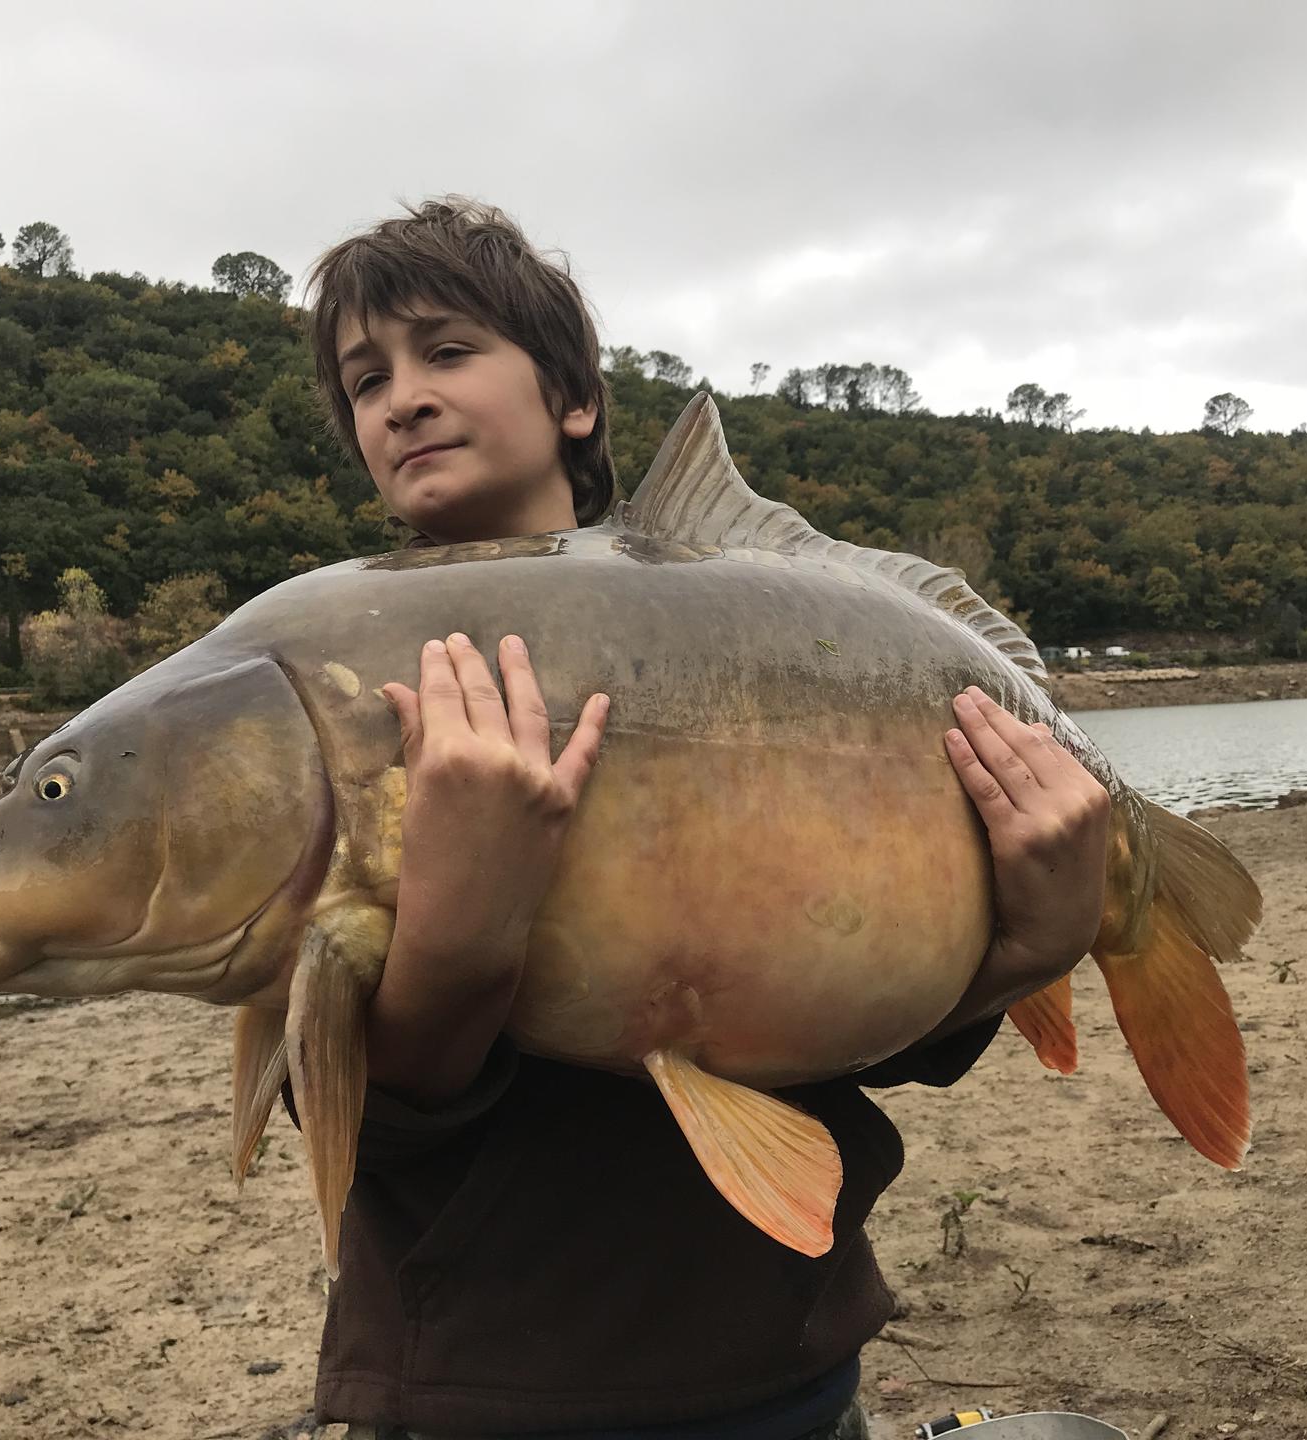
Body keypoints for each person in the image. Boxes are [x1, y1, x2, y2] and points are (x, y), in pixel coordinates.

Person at [285, 198, 1111, 1440]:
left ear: (576, 400)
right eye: (365, 378)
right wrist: (457, 931)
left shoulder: (756, 626)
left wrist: (1028, 951)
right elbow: (350, 1110)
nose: (401, 396)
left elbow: (869, 1028)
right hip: (476, 1384)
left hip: (786, 1351)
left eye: (446, 351)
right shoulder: (329, 675)